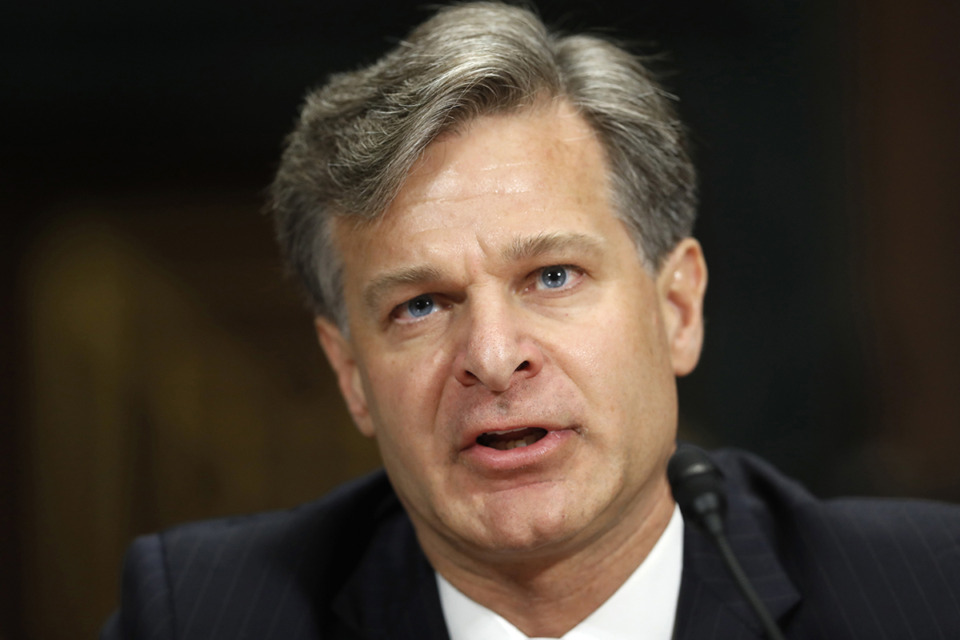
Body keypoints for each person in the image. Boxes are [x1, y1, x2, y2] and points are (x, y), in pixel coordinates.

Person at [102, 3, 960, 639]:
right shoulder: (203, 615)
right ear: (352, 376)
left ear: (677, 310)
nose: (494, 356)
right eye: (421, 305)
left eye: (552, 275)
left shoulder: (925, 593)